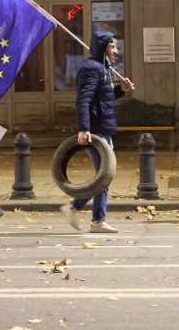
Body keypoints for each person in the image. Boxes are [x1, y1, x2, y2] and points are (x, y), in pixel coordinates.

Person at [60, 31, 134, 234]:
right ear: (103, 48)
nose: (116, 51)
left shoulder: (103, 68)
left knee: (104, 176)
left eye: (116, 47)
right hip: (95, 131)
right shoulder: (91, 69)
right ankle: (94, 219)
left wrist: (121, 89)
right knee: (104, 176)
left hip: (102, 129)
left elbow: (103, 97)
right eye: (112, 47)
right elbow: (83, 100)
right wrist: (83, 129)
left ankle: (78, 209)